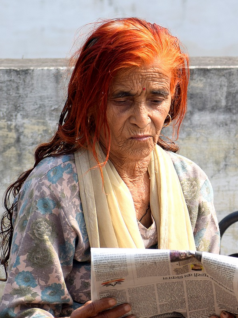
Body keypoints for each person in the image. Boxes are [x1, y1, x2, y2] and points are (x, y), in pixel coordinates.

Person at [0, 18, 222, 318]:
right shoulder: (56, 188)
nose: (142, 118)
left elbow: (209, 292)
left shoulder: (190, 182)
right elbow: (22, 311)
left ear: (173, 99)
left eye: (156, 99)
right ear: (91, 102)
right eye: (122, 99)